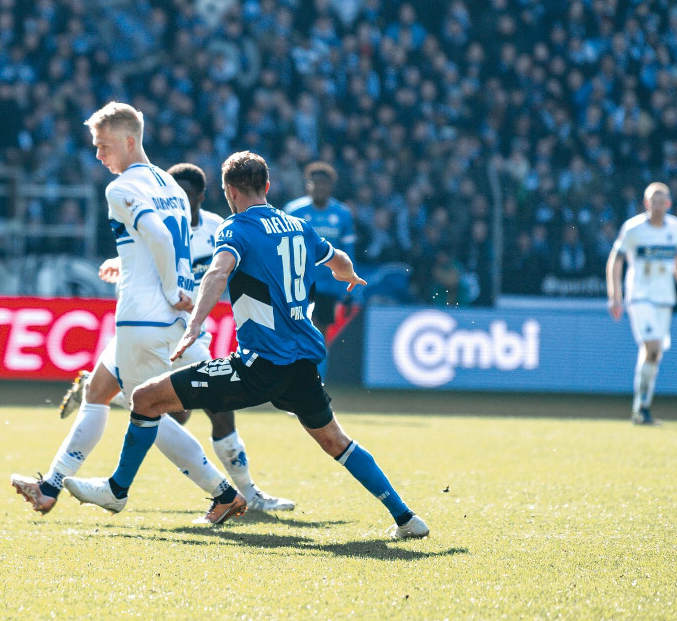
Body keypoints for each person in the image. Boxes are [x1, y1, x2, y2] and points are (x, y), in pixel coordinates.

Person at [64, 151, 429, 538]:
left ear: (229, 191)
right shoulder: (298, 225)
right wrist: (350, 275)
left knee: (145, 398)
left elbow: (218, 273)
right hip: (303, 363)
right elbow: (336, 258)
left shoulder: (236, 229)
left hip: (259, 365)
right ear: (267, 187)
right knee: (337, 441)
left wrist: (194, 326)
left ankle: (117, 490)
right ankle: (406, 518)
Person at [11, 104, 249, 524]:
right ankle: (50, 487)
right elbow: (161, 240)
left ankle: (223, 492)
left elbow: (157, 234)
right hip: (168, 318)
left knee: (147, 409)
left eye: (103, 146)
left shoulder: (121, 188)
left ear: (128, 140)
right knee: (98, 391)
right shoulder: (170, 186)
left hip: (145, 318)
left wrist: (175, 285)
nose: (99, 155)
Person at [52, 163, 294, 512]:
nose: (175, 198)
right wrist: (118, 263)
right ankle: (245, 495)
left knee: (180, 415)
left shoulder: (218, 228)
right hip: (167, 328)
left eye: (184, 194)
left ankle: (113, 396)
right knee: (204, 408)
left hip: (190, 334)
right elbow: (144, 258)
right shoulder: (160, 224)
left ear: (199, 196)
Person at [606, 182, 677, 426]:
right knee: (653, 346)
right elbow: (615, 261)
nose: (658, 206)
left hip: (664, 298)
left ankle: (641, 407)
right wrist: (615, 295)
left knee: (653, 355)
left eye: (663, 202)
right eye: (653, 202)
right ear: (646, 204)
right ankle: (642, 408)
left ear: (669, 204)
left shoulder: (675, 227)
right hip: (639, 296)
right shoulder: (633, 228)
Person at [283, 162, 356, 335]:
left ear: (331, 187)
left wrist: (349, 288)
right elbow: (282, 250)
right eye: (315, 183)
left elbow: (348, 253)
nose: (319, 187)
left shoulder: (343, 214)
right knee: (300, 331)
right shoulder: (293, 212)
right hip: (299, 284)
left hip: (328, 286)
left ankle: (319, 362)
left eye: (324, 183)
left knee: (320, 334)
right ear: (308, 185)